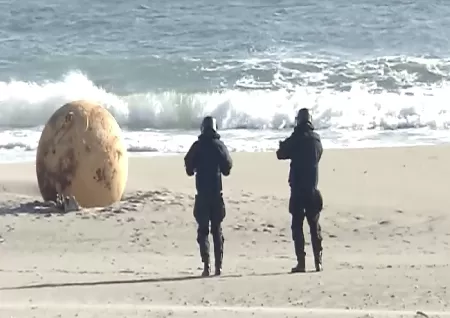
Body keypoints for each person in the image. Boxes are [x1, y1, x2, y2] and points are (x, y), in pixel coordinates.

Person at [276, 108, 324, 273]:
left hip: (297, 190)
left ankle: (301, 262)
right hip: (312, 189)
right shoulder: (316, 140)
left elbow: (280, 154)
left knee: (297, 226)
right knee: (314, 225)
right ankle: (318, 262)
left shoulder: (296, 138)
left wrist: (284, 145)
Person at [184, 116, 233, 277]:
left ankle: (207, 265)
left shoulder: (197, 147)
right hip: (216, 195)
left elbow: (189, 169)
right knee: (217, 230)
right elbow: (227, 168)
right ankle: (219, 266)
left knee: (203, 231)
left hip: (202, 195)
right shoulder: (219, 146)